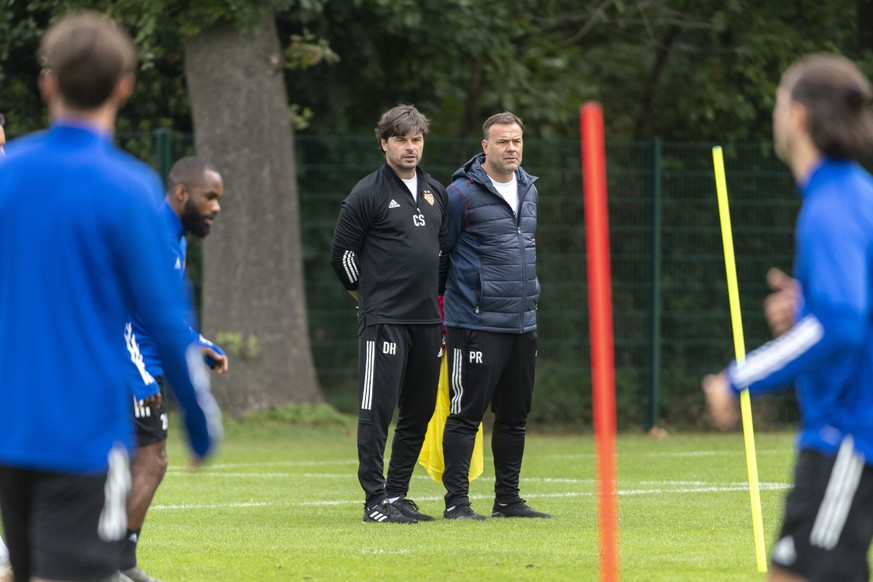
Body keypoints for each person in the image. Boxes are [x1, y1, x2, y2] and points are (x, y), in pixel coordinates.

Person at [0, 12, 221, 582]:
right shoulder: (127, 187)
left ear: (48, 84)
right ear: (124, 86)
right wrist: (199, 419)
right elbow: (164, 317)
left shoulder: (10, 175)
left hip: (11, 428)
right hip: (83, 433)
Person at [702, 53, 873, 582]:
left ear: (797, 116)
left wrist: (738, 379)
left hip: (847, 435)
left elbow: (843, 320)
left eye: (779, 100)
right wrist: (806, 308)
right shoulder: (856, 194)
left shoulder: (830, 204)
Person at [330, 104, 448, 524]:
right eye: (401, 139)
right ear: (384, 144)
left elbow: (442, 258)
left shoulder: (436, 192)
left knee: (419, 410)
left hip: (428, 324)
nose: (410, 147)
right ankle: (374, 500)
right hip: (384, 320)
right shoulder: (368, 193)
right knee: (377, 410)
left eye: (416, 139)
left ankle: (398, 494)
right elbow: (342, 256)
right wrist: (368, 300)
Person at [439, 111, 550, 520]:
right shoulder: (460, 194)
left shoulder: (530, 189)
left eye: (517, 141)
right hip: (475, 324)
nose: (511, 148)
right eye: (502, 141)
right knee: (466, 415)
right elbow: (441, 255)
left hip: (522, 323)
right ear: (485, 146)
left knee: (515, 417)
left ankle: (508, 500)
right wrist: (444, 314)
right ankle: (457, 503)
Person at [121, 157, 228, 582]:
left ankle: (117, 560)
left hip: (141, 363)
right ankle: (111, 561)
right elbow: (121, 316)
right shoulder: (153, 235)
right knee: (149, 461)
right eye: (210, 197)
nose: (216, 207)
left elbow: (162, 314)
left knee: (147, 461)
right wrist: (138, 375)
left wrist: (201, 344)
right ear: (182, 192)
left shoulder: (175, 236)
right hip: (130, 367)